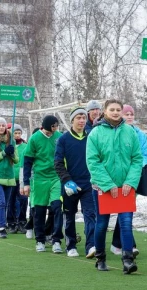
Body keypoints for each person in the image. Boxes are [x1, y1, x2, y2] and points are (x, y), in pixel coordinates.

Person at [86, 99, 143, 273]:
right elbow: (92, 161)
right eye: (112, 109)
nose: (116, 112)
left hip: (125, 188)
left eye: (119, 109)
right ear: (105, 111)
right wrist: (108, 184)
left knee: (126, 223)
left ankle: (127, 260)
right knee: (102, 223)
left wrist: (130, 182)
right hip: (103, 188)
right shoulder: (95, 134)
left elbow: (137, 159)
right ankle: (100, 258)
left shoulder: (130, 132)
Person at [55, 106, 96, 258]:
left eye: (84, 118)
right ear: (72, 120)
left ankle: (91, 245)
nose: (81, 120)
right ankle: (71, 245)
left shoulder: (91, 136)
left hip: (89, 184)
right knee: (70, 216)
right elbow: (58, 163)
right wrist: (66, 181)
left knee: (91, 215)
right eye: (78, 118)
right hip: (70, 185)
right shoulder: (63, 139)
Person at [110, 104, 147, 256]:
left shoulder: (141, 135)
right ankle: (128, 245)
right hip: (118, 177)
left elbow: (144, 155)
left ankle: (118, 244)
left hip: (134, 177)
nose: (130, 116)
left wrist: (137, 169)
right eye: (126, 114)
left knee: (125, 210)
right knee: (124, 210)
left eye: (131, 114)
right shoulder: (115, 132)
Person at [23, 115, 63, 253]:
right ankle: (40, 240)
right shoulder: (34, 139)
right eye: (52, 127)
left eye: (55, 127)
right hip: (39, 178)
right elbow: (27, 161)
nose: (53, 130)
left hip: (56, 177)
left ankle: (56, 239)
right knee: (39, 212)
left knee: (57, 207)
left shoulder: (59, 136)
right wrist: (26, 182)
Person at [6, 124, 28, 234]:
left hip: (21, 177)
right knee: (10, 200)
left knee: (23, 199)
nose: (17, 135)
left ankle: (22, 221)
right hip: (10, 177)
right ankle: (11, 222)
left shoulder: (25, 146)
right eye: (15, 133)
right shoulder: (8, 145)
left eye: (19, 133)